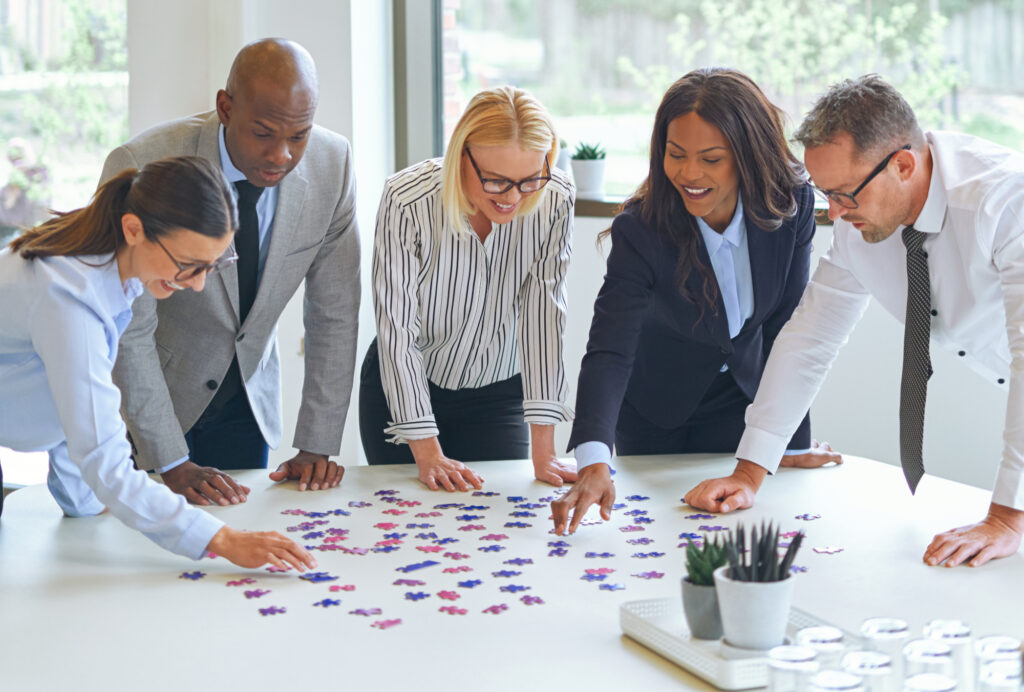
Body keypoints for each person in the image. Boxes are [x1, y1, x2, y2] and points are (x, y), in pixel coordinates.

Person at [684, 74, 1024, 568]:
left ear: (903, 164)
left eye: (845, 195)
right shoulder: (857, 221)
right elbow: (811, 336)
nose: (836, 215)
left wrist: (1007, 515)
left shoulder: (1003, 201)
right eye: (826, 195)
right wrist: (749, 472)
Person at [550, 68, 839, 534]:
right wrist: (592, 461)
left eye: (711, 159)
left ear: (748, 156)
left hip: (744, 404)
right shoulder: (640, 230)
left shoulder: (792, 203)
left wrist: (787, 442)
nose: (689, 173)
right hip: (656, 411)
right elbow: (611, 348)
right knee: (662, 538)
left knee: (736, 532)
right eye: (676, 154)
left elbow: (787, 329)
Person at [0, 155, 314, 570]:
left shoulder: (113, 264)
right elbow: (102, 454)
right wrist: (222, 539)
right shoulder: (67, 296)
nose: (198, 284)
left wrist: (84, 504)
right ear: (134, 229)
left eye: (213, 265)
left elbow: (70, 403)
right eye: (189, 265)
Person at [101, 39, 359, 506]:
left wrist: (316, 444)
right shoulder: (142, 166)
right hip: (148, 402)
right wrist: (172, 461)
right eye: (263, 133)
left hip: (248, 400)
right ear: (225, 107)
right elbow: (128, 327)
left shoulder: (333, 165)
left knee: (235, 548)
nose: (281, 154)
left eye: (298, 135)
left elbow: (335, 313)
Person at [360, 86, 576, 492]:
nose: (513, 198)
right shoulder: (407, 200)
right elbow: (397, 330)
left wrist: (545, 451)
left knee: (493, 516)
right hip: (407, 383)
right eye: (496, 181)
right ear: (462, 157)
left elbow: (544, 319)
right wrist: (427, 453)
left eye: (530, 179)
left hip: (497, 391)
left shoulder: (555, 198)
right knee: (411, 518)